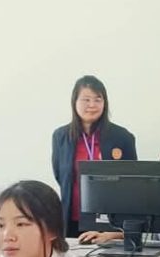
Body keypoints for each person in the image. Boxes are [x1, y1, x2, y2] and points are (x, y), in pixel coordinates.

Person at [51, 75, 137, 238]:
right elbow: (60, 176)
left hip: (110, 225)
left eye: (98, 99)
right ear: (74, 102)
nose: (92, 105)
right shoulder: (61, 137)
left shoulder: (122, 137)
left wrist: (118, 231)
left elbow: (131, 184)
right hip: (73, 219)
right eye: (86, 99)